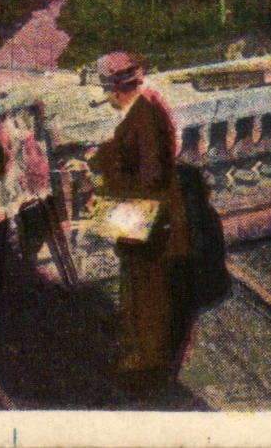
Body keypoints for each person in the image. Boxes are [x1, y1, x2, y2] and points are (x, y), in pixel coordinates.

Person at [87, 52, 191, 381]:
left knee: (147, 289)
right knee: (138, 284)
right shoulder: (148, 104)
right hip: (152, 217)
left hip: (151, 220)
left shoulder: (144, 115)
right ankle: (136, 344)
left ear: (117, 90)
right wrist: (108, 153)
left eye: (108, 92)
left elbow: (150, 174)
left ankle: (146, 361)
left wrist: (106, 172)